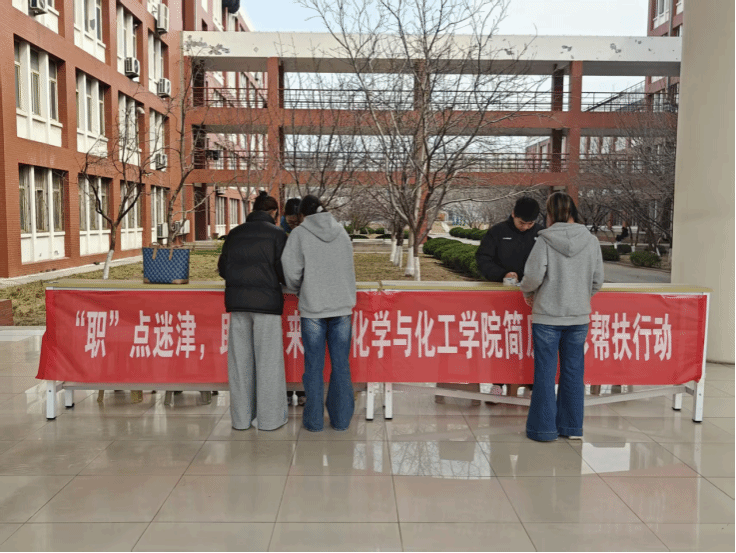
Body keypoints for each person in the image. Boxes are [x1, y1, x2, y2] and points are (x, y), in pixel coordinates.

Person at [519, 192, 604, 441]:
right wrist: (580, 297)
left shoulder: (544, 240)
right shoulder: (591, 241)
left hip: (547, 316)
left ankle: (543, 430)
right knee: (574, 373)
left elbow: (533, 277)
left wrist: (528, 293)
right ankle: (571, 427)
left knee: (545, 374)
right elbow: (598, 280)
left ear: (550, 213)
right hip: (578, 317)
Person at [281, 195, 357, 432]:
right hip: (342, 307)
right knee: (341, 364)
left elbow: (290, 270)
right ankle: (341, 420)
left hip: (313, 308)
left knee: (314, 366)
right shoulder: (342, 233)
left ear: (303, 214)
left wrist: (297, 288)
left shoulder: (299, 234)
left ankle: (314, 422)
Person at [217, 191, 288, 431]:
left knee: (240, 363)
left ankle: (241, 419)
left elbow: (223, 268)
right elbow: (284, 272)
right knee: (268, 363)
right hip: (267, 306)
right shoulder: (277, 235)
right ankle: (269, 420)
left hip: (237, 305)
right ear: (273, 212)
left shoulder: (235, 234)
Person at [474, 196, 544, 401]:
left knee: (530, 342)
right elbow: (482, 259)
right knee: (503, 341)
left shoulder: (542, 234)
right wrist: (501, 274)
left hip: (534, 300)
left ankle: (531, 384)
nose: (525, 227)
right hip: (502, 300)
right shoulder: (497, 232)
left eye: (530, 223)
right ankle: (497, 383)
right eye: (522, 222)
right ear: (513, 214)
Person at [280, 197, 307, 407]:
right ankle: (288, 390)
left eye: (297, 221)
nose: (294, 225)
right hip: (285, 296)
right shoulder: (279, 233)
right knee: (287, 347)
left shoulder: (309, 232)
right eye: (290, 222)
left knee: (303, 347)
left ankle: (304, 389)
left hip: (306, 296)